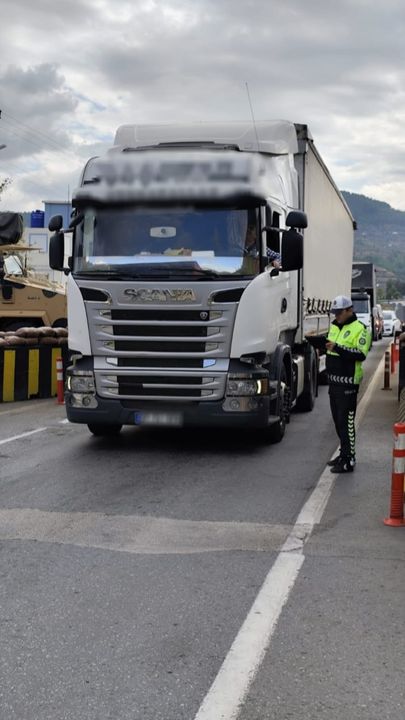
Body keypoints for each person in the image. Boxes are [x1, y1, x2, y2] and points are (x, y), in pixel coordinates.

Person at [325, 295, 371, 474]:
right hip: (333, 382)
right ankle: (343, 453)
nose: (336, 316)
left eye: (339, 312)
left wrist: (336, 347)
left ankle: (349, 459)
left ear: (349, 310)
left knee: (347, 422)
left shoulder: (361, 329)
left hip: (348, 383)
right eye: (334, 313)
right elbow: (332, 349)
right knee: (338, 422)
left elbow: (360, 353)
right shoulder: (335, 327)